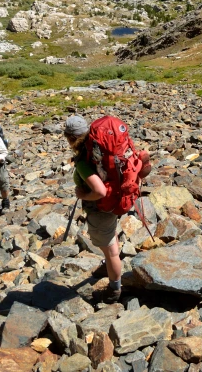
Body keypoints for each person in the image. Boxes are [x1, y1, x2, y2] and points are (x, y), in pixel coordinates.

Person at [64, 115, 152, 303]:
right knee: (112, 240)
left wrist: (84, 196)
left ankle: (114, 289)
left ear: (70, 138)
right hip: (118, 197)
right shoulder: (100, 147)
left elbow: (100, 191)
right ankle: (112, 266)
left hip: (102, 207)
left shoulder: (84, 160)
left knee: (110, 251)